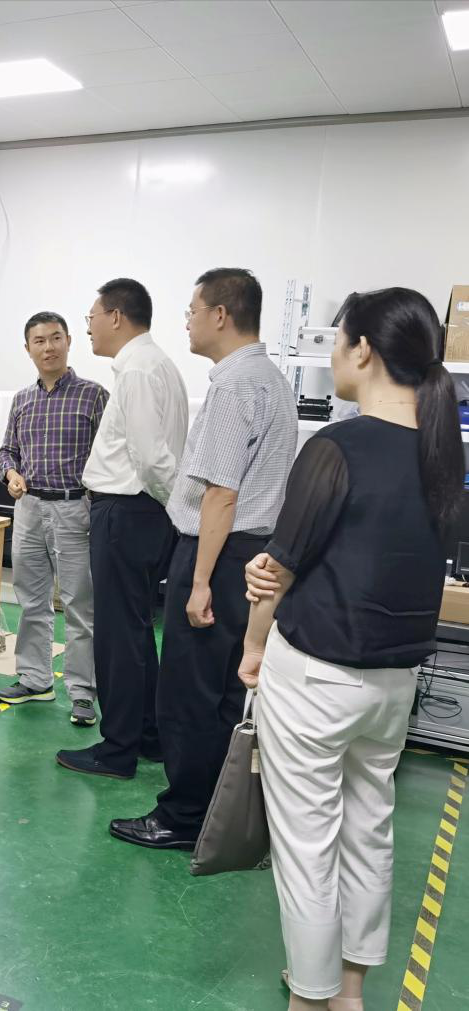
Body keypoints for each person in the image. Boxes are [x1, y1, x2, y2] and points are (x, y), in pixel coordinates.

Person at [238, 288, 462, 1011]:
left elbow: (277, 569)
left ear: (362, 350)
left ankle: (309, 997)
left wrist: (252, 645)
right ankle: (350, 991)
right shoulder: (443, 456)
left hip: (315, 674)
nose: (334, 353)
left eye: (338, 341)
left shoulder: (336, 447)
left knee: (307, 846)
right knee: (368, 830)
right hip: (394, 682)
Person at [109, 268, 297, 845]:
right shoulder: (272, 379)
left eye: (192, 310)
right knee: (226, 693)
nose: (186, 321)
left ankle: (183, 817)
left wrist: (198, 582)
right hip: (254, 552)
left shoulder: (234, 385)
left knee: (189, 693)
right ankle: (215, 808)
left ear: (220, 314)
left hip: (219, 551)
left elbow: (221, 494)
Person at [54, 278, 188, 777]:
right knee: (134, 632)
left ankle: (117, 750)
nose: (88, 327)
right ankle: (148, 737)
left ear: (115, 316)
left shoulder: (137, 370)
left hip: (128, 512)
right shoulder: (159, 365)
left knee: (117, 637)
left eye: (91, 317)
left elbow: (151, 458)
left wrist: (176, 509)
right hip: (142, 513)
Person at [0, 311, 109, 726]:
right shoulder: (22, 400)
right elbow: (7, 451)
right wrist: (10, 474)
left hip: (74, 508)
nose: (49, 347)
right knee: (31, 599)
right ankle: (35, 679)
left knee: (79, 604)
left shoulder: (94, 396)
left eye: (56, 338)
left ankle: (82, 693)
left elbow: (111, 455)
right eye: (39, 341)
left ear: (69, 341)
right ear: (28, 349)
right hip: (28, 509)